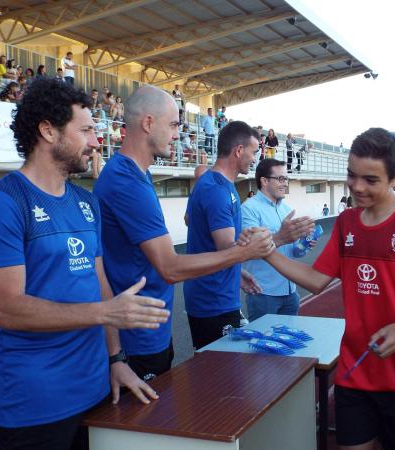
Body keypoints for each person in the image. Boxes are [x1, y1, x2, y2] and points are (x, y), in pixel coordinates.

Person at [0, 78, 170, 450]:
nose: (96, 141)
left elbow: (99, 283)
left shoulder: (86, 203)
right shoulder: (2, 203)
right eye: (86, 130)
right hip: (35, 407)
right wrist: (105, 312)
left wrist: (116, 358)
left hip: (98, 391)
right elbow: (8, 309)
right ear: (48, 131)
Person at [259, 127, 395, 450]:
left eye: (370, 180)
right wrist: (268, 252)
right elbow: (316, 280)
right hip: (355, 375)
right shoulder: (346, 223)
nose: (356, 186)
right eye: (352, 175)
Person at [94, 87, 273, 381]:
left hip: (151, 326)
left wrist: (237, 262)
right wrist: (242, 253)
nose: (178, 135)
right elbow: (170, 267)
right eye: (174, 124)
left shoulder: (138, 175)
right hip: (138, 334)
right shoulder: (125, 180)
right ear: (149, 124)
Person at [184, 121, 269, 349]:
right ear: (239, 151)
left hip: (217, 297)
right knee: (222, 377)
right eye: (253, 152)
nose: (254, 159)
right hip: (213, 300)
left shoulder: (218, 184)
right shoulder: (216, 190)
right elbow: (226, 248)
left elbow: (190, 221)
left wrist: (237, 272)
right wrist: (277, 239)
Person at [242, 159, 315, 321]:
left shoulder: (286, 209)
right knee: (263, 345)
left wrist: (303, 245)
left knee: (288, 343)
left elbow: (293, 252)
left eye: (286, 179)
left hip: (290, 292)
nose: (285, 184)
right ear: (264, 181)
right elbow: (250, 250)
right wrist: (282, 236)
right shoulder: (248, 209)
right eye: (281, 179)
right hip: (263, 293)